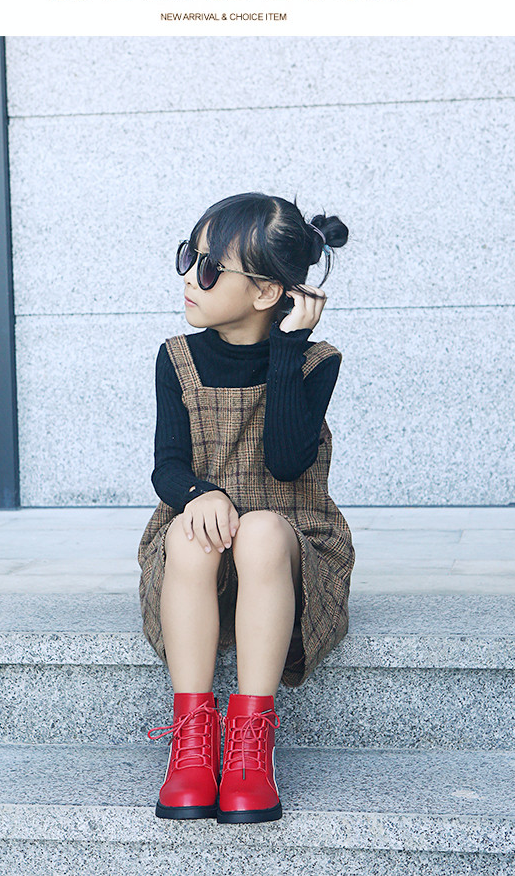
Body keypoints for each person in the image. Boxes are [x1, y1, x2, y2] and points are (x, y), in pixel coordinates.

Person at [137, 191, 355, 825]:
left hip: (291, 546)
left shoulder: (315, 362)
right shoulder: (176, 358)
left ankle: (251, 746)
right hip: (203, 548)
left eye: (209, 268)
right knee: (187, 534)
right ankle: (192, 741)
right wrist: (198, 495)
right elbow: (168, 465)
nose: (189, 277)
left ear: (265, 292)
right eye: (188, 256)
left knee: (258, 532)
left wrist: (288, 349)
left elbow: (286, 462)